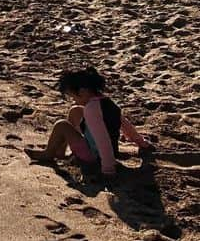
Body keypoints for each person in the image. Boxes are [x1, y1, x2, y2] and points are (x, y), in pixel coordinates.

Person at [24, 67, 153, 179]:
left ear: (82, 92)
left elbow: (103, 140)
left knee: (61, 125)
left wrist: (108, 168)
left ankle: (49, 154)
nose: (74, 100)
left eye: (73, 97)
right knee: (75, 111)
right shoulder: (106, 102)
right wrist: (142, 143)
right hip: (108, 151)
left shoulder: (92, 109)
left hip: (94, 157)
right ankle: (60, 151)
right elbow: (125, 124)